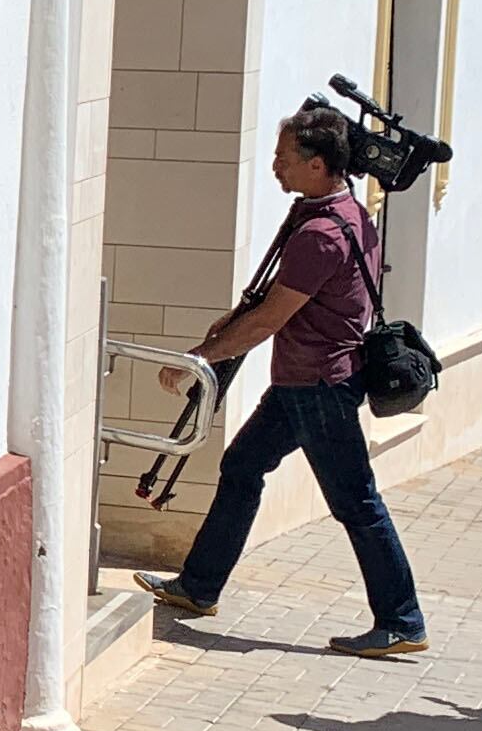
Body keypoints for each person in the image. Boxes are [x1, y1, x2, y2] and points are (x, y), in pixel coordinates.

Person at [135, 100, 427, 657]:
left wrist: (200, 359)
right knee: (242, 467)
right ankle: (199, 587)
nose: (276, 167)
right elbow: (271, 301)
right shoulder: (345, 213)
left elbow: (272, 317)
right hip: (305, 383)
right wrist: (226, 327)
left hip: (319, 387)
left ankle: (402, 620)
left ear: (317, 165)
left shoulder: (322, 233)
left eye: (284, 158)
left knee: (357, 503)